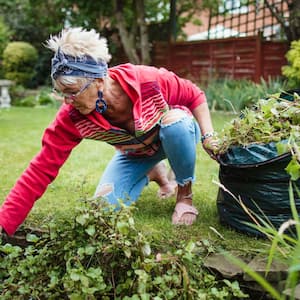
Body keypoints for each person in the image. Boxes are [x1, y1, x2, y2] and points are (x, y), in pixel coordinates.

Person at [0, 27, 218, 236]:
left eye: (72, 92)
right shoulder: (71, 116)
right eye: (61, 93)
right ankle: (154, 170)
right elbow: (40, 169)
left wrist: (209, 137)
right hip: (134, 153)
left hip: (174, 136)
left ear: (98, 80)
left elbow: (194, 95)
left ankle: (184, 196)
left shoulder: (147, 80)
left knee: (176, 124)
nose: (67, 101)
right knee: (102, 213)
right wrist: (4, 223)